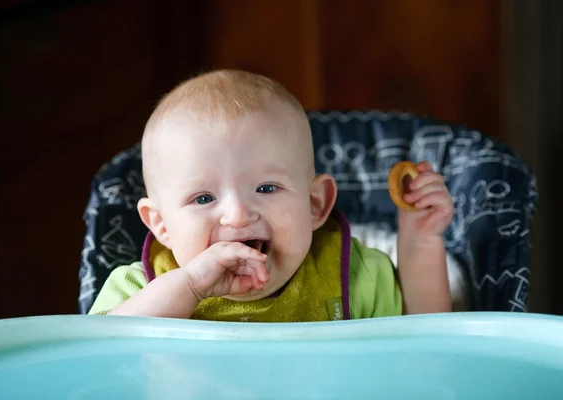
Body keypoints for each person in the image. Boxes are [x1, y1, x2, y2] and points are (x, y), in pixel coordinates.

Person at [88, 69, 454, 321]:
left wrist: (420, 239)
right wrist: (189, 286)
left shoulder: (353, 275)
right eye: (203, 198)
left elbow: (424, 339)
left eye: (266, 188)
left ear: (314, 204)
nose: (238, 214)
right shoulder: (139, 289)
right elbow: (94, 355)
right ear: (161, 224)